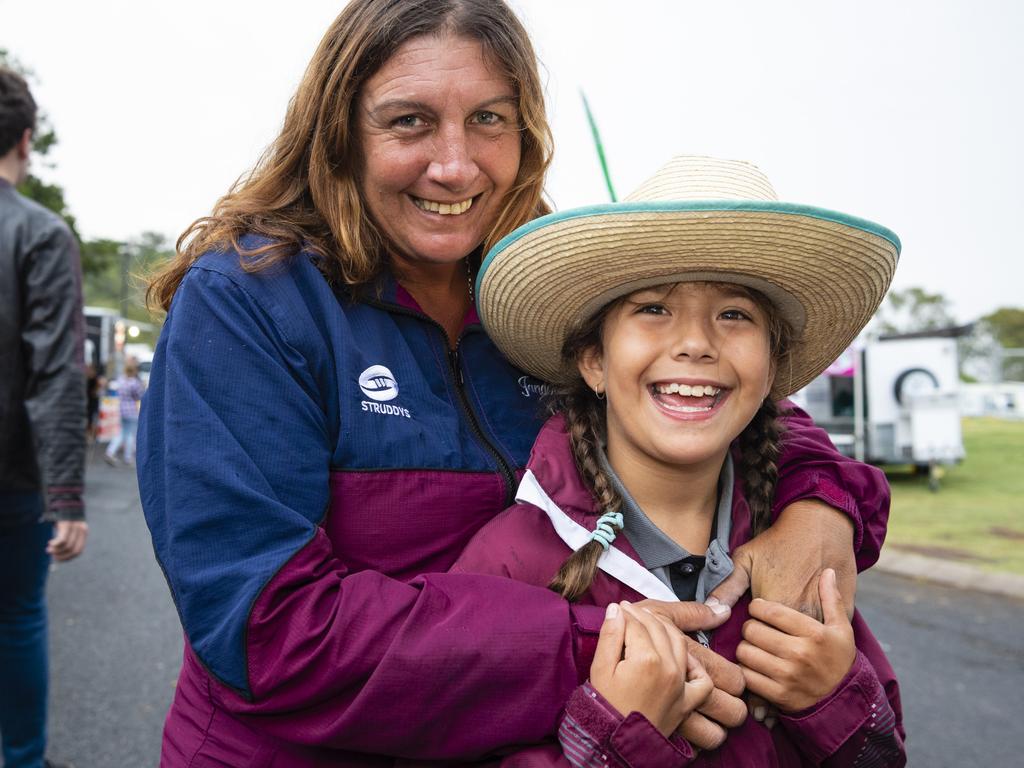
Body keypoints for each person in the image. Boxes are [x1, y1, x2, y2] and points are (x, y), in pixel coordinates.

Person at [139, 2, 892, 764]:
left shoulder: (524, 288)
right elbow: (265, 629)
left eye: (490, 120)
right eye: (409, 122)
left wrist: (819, 507)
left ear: (526, 134)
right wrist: (604, 647)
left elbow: (712, 396)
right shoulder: (247, 303)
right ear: (339, 133)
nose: (456, 165)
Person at [454, 155, 905, 765]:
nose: (695, 343)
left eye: (734, 314)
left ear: (772, 368)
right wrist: (607, 736)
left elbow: (883, 752)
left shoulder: (798, 547)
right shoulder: (508, 561)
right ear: (593, 360)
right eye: (653, 308)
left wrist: (832, 696)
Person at [0, 67, 88, 768]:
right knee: (16, 617)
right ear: (25, 140)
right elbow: (56, 371)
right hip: (12, 473)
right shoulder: (38, 232)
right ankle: (24, 760)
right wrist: (66, 496)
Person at [104, 356, 144, 466]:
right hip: (131, 409)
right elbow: (140, 395)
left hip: (121, 409)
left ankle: (110, 451)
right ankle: (128, 457)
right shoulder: (135, 382)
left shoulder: (120, 380)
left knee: (121, 432)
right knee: (131, 434)